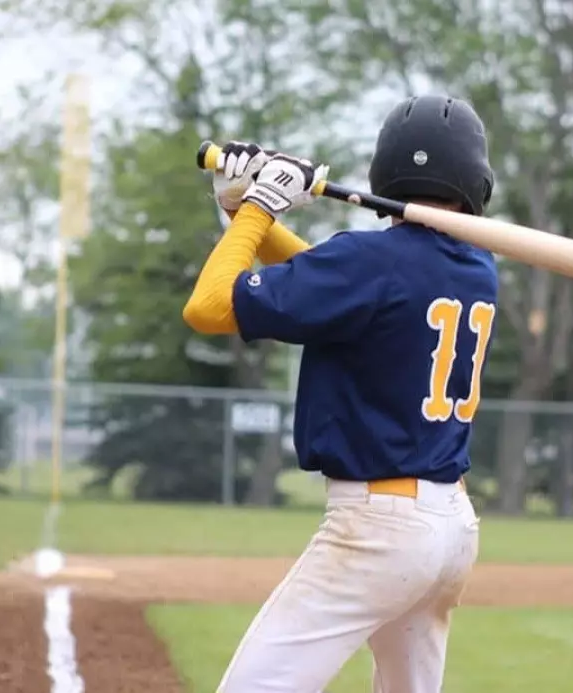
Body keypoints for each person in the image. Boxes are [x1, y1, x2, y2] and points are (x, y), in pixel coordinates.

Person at [182, 94, 498, 693]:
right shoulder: (476, 267)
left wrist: (259, 209)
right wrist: (244, 210)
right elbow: (328, 280)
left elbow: (208, 306)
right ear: (474, 181)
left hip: (379, 527)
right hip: (450, 527)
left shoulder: (368, 263)